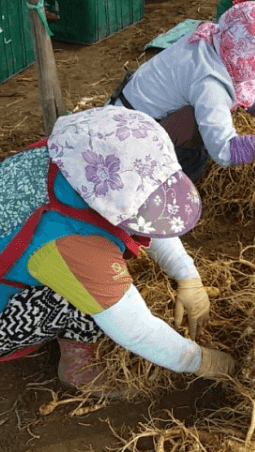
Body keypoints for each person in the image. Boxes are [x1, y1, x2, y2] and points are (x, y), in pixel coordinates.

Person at [0, 105, 235, 393]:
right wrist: (200, 361)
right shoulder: (68, 239)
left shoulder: (70, 158)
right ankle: (79, 370)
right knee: (88, 293)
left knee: (92, 278)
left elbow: (144, 214)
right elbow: (136, 330)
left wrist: (187, 275)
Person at [109, 1, 255, 182]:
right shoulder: (209, 84)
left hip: (126, 107)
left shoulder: (216, 39)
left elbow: (251, 91)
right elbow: (226, 152)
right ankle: (175, 176)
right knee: (197, 141)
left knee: (203, 114)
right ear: (241, 55)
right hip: (132, 141)